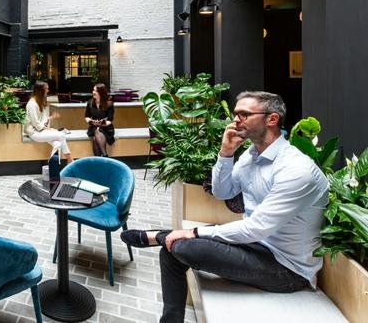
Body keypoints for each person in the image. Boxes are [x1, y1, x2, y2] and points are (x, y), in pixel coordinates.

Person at [120, 91, 329, 323]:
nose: (236, 119)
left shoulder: (295, 169)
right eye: (235, 113)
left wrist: (194, 232)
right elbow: (223, 192)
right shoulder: (251, 155)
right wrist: (226, 153)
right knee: (171, 248)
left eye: (244, 114)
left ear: (272, 119)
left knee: (183, 248)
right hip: (255, 245)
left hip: (286, 269)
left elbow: (256, 228)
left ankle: (158, 235)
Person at [24, 81, 73, 164]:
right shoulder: (32, 104)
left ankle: (53, 163)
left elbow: (41, 120)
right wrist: (47, 129)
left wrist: (50, 119)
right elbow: (36, 123)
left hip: (40, 130)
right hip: (34, 133)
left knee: (57, 143)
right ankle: (70, 159)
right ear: (40, 90)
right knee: (61, 135)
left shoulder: (39, 102)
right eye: (46, 89)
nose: (48, 91)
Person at [84, 83, 114, 157]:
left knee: (96, 136)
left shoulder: (109, 104)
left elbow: (110, 120)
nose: (93, 92)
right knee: (97, 130)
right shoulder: (90, 102)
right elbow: (86, 116)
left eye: (96, 91)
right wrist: (91, 121)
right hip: (93, 127)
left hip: (106, 128)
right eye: (93, 90)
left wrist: (102, 123)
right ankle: (105, 155)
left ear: (101, 93)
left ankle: (99, 159)